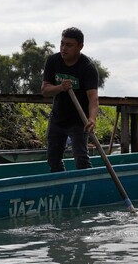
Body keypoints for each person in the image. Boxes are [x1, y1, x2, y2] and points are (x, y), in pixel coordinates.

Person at [41, 27, 99, 172]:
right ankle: (60, 186)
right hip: (58, 118)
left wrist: (92, 119)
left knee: (81, 158)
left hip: (79, 120)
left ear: (80, 46)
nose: (63, 48)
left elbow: (93, 98)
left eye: (69, 45)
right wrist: (60, 87)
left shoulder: (87, 67)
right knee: (53, 158)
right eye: (62, 43)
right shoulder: (53, 61)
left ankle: (86, 185)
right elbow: (45, 90)